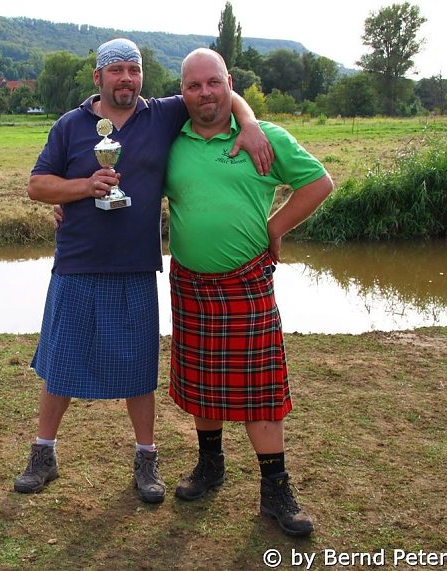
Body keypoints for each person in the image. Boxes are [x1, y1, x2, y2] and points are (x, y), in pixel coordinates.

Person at [14, 38, 273, 504]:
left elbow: (217, 90)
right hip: (77, 264)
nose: (125, 79)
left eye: (133, 70)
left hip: (135, 266)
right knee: (61, 363)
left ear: (142, 77)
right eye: (115, 71)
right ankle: (44, 454)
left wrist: (250, 124)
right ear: (98, 78)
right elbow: (37, 186)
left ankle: (146, 459)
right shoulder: (70, 126)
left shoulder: (163, 114)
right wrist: (81, 188)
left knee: (139, 368)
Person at [164, 48, 333, 535]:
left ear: (228, 83)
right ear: (183, 91)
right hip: (192, 286)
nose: (204, 94)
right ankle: (210, 466)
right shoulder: (169, 140)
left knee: (261, 393)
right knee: (203, 384)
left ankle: (276, 490)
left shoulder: (264, 138)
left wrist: (275, 227)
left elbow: (318, 183)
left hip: (245, 282)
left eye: (213, 83)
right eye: (193, 86)